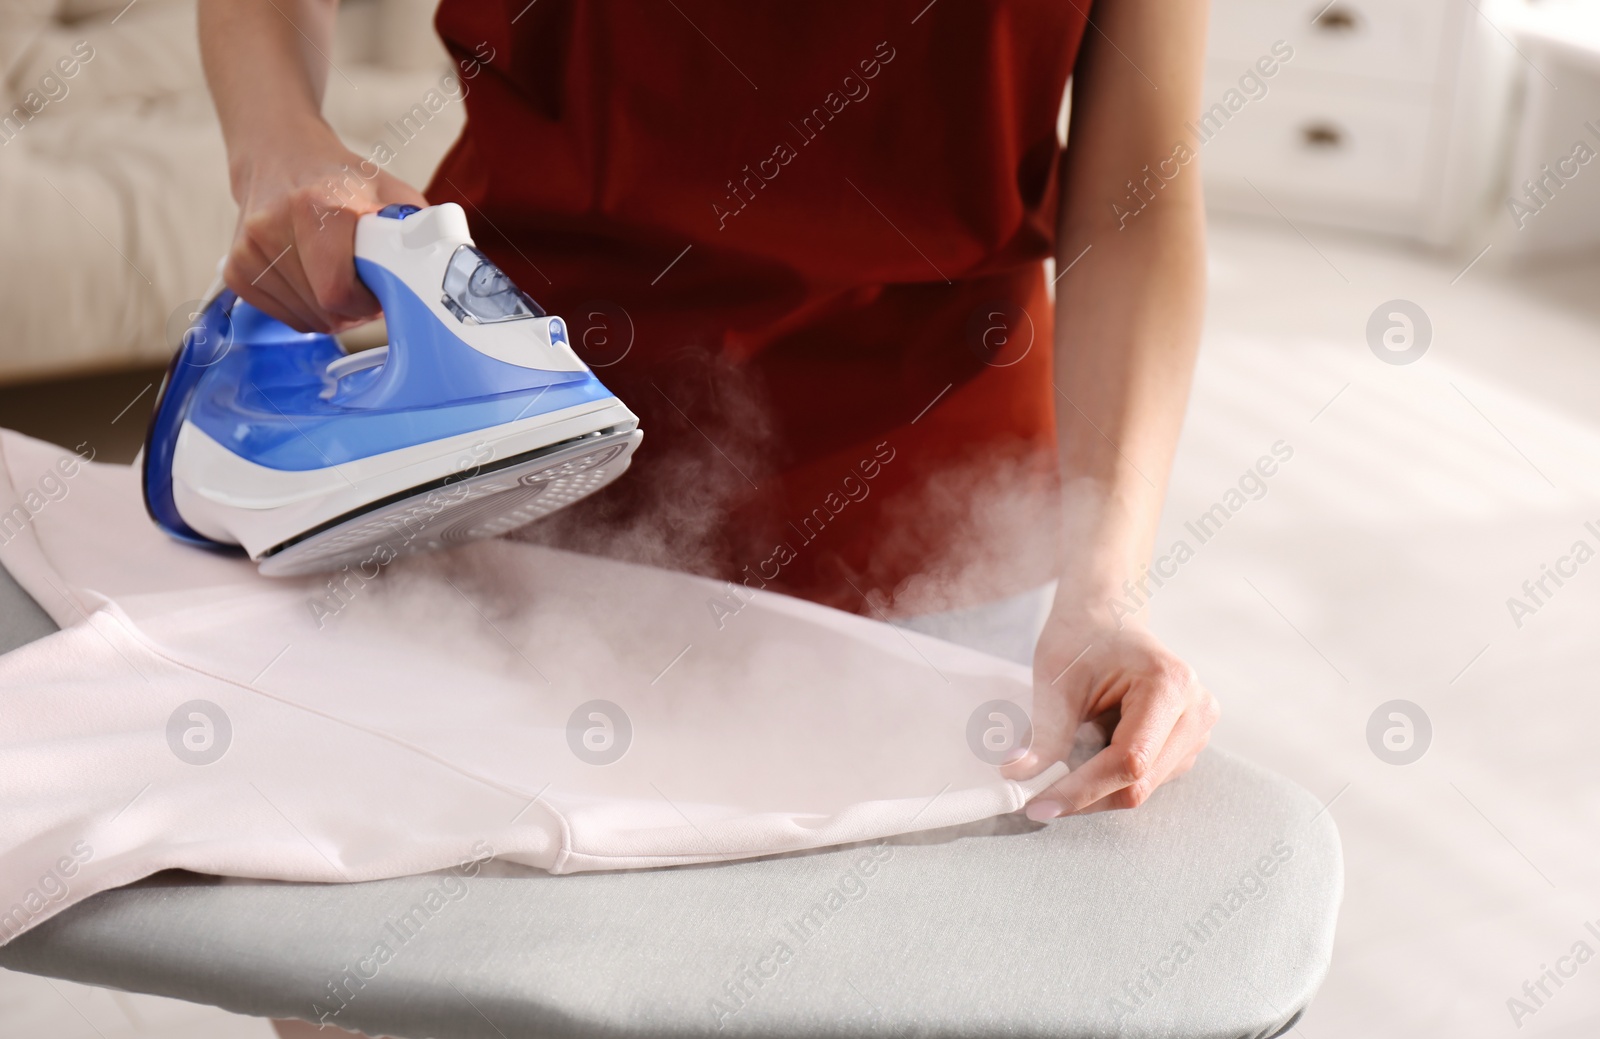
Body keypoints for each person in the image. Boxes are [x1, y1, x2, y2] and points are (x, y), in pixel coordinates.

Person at [198, 0, 1218, 823]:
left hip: (927, 515)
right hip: (517, 478)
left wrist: (1103, 588)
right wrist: (280, 141)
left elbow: (1141, 191)